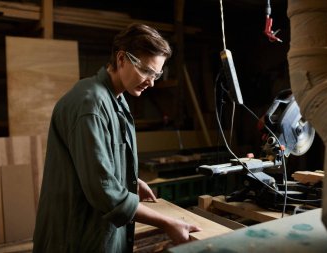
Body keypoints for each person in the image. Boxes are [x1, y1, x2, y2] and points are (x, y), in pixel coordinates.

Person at [33, 23, 201, 253]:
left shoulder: (117, 99)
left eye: (157, 74)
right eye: (146, 71)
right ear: (121, 59)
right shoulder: (90, 104)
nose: (152, 81)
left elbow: (104, 160)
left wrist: (130, 181)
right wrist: (167, 223)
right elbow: (104, 192)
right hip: (75, 237)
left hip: (97, 231)